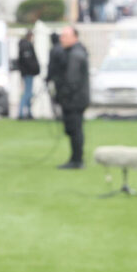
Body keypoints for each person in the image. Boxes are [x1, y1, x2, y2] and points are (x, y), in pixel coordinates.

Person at [54, 26, 90, 170]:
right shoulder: (74, 52)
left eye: (65, 36)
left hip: (74, 100)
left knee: (75, 130)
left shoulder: (75, 55)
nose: (61, 39)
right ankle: (75, 158)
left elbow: (72, 80)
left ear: (74, 37)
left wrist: (62, 95)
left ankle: (77, 160)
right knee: (75, 129)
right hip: (76, 99)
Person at [14, 28, 40, 120]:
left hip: (26, 72)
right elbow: (29, 61)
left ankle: (28, 112)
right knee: (27, 93)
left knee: (28, 93)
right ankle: (22, 112)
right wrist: (35, 69)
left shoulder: (23, 45)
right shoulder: (26, 45)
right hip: (28, 72)